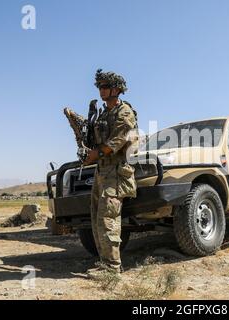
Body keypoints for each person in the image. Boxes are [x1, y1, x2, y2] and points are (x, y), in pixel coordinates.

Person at [84, 69, 138, 274]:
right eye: (99, 86)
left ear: (117, 89)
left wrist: (94, 154)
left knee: (108, 219)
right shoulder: (104, 113)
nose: (101, 90)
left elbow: (115, 142)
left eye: (105, 86)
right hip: (102, 170)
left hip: (116, 172)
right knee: (97, 218)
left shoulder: (124, 113)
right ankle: (104, 262)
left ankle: (112, 267)